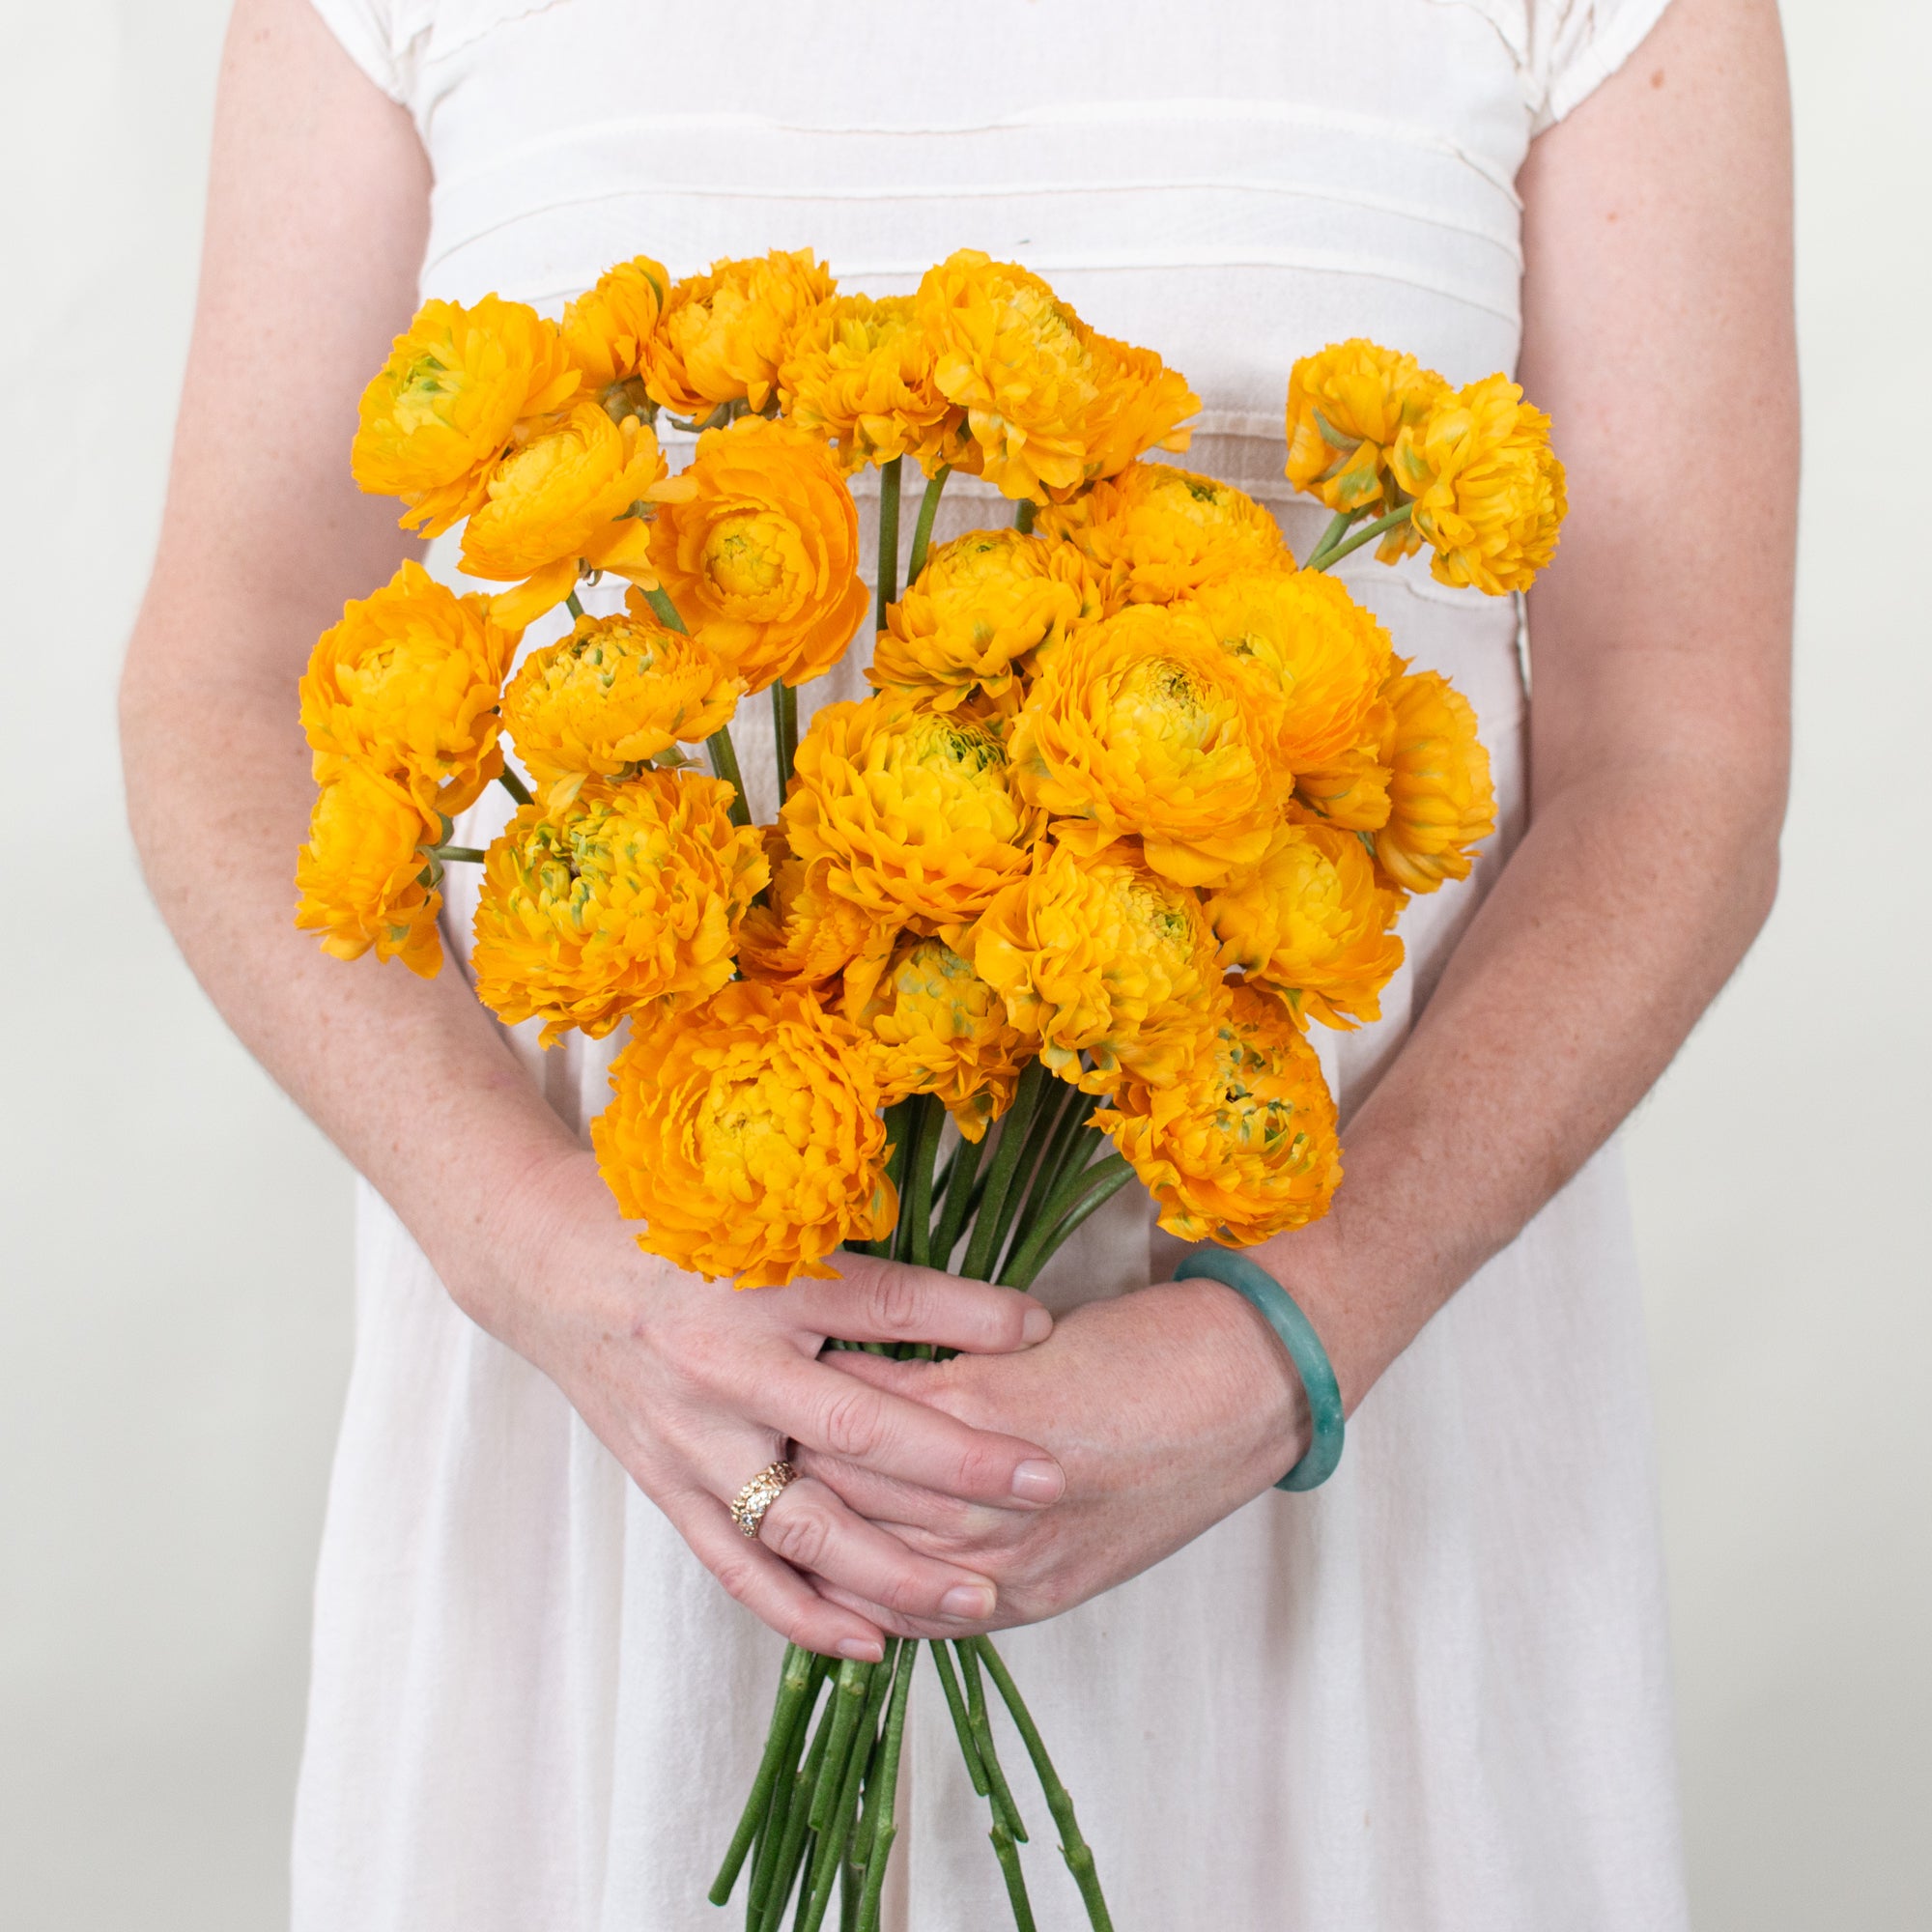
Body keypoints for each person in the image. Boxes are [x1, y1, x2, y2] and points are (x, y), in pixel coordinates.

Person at [119, 0, 1795, 1925]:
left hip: (1322, 1396)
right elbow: (228, 684)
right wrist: (539, 1253)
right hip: (635, 1392)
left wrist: (1292, 1334)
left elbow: (1676, 748)